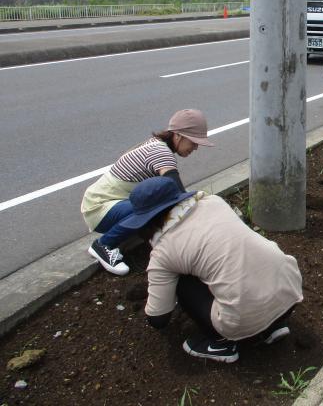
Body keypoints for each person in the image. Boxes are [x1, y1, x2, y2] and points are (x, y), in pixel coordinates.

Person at [130, 177, 303, 364]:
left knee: (182, 281)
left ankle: (221, 344)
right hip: (290, 290)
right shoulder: (213, 202)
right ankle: (272, 326)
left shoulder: (163, 252)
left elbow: (158, 319)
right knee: (235, 262)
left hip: (242, 319)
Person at [81, 109, 213, 276]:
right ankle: (103, 245)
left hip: (106, 203)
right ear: (178, 135)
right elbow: (178, 196)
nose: (195, 148)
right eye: (194, 142)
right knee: (158, 205)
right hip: (100, 209)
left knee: (159, 202)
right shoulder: (162, 154)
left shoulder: (156, 144)